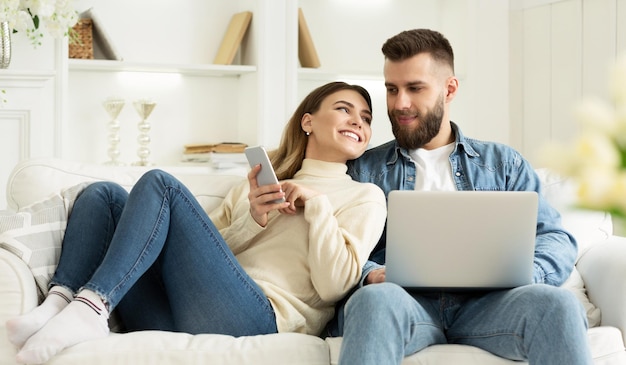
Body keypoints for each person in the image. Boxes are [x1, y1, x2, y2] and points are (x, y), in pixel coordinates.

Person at [6, 81, 387, 364]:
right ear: (308, 121)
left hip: (260, 318)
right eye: (344, 109)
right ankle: (60, 304)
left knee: (162, 185)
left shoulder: (364, 197)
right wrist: (253, 218)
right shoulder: (256, 184)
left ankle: (92, 308)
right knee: (102, 194)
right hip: (177, 312)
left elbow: (334, 285)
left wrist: (317, 208)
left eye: (367, 119)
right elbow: (202, 250)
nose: (358, 122)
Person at [331, 29, 593, 364]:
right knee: (373, 301)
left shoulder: (503, 164)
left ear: (449, 89)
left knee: (559, 304)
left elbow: (554, 236)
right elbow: (337, 248)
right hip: (404, 303)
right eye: (391, 89)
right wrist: (371, 273)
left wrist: (532, 273)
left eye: (414, 88)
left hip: (491, 306)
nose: (400, 104)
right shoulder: (364, 169)